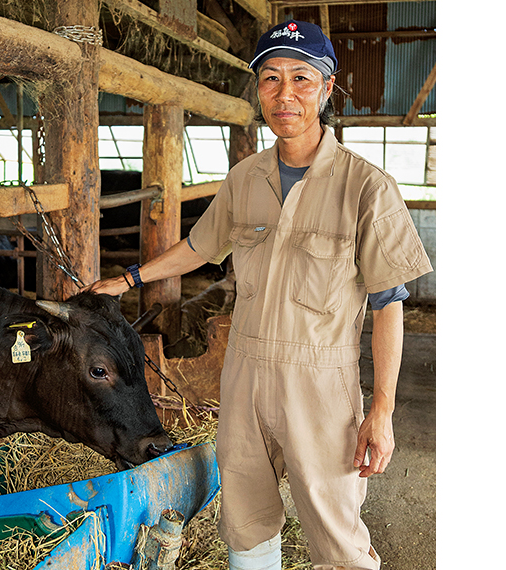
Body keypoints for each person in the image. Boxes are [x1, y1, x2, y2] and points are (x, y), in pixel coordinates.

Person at [85, 19, 433, 570]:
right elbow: (200, 248)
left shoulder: (367, 187)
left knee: (336, 528)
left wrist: (383, 410)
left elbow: (390, 302)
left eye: (301, 77)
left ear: (327, 86)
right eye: (270, 78)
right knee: (244, 520)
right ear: (257, 89)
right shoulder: (245, 178)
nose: (284, 93)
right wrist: (129, 279)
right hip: (244, 375)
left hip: (319, 383)